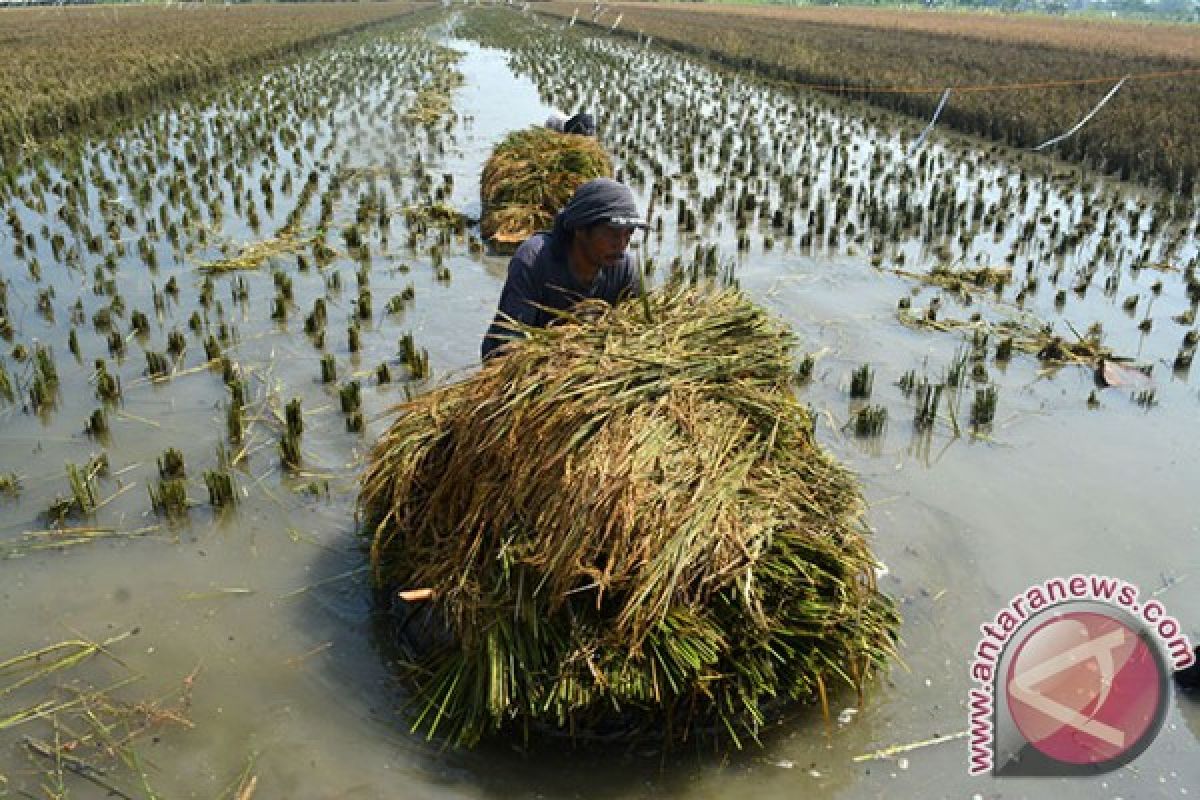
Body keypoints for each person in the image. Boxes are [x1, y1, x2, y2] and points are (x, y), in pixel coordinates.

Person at [482, 178, 646, 360]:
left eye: (628, 234)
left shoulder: (624, 270)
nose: (621, 245)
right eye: (612, 233)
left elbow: (636, 331)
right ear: (580, 229)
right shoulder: (534, 261)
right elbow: (510, 345)